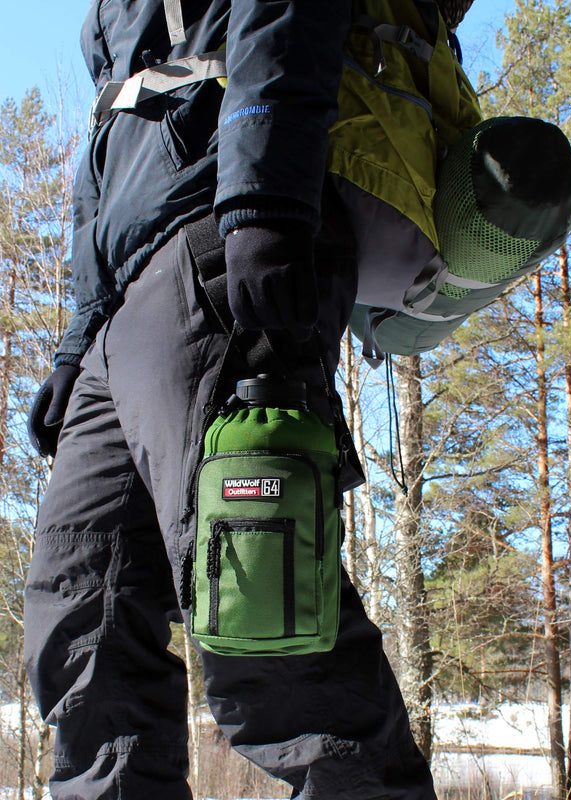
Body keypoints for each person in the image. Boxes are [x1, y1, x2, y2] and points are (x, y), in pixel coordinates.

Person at [23, 1, 443, 797]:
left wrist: (265, 205)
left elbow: (285, 17)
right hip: (122, 300)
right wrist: (77, 342)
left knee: (263, 607)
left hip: (222, 227)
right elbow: (104, 163)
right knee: (82, 615)